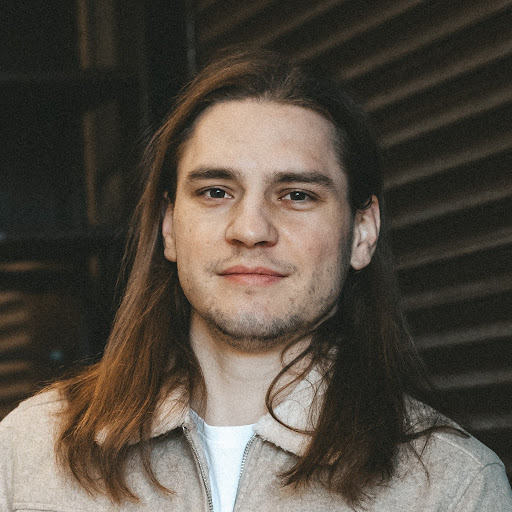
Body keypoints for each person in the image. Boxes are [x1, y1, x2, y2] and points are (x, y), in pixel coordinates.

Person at [1, 48, 511, 512]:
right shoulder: (28, 453)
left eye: (297, 195)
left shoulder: (452, 487)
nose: (250, 230)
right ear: (169, 227)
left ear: (362, 232)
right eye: (216, 191)